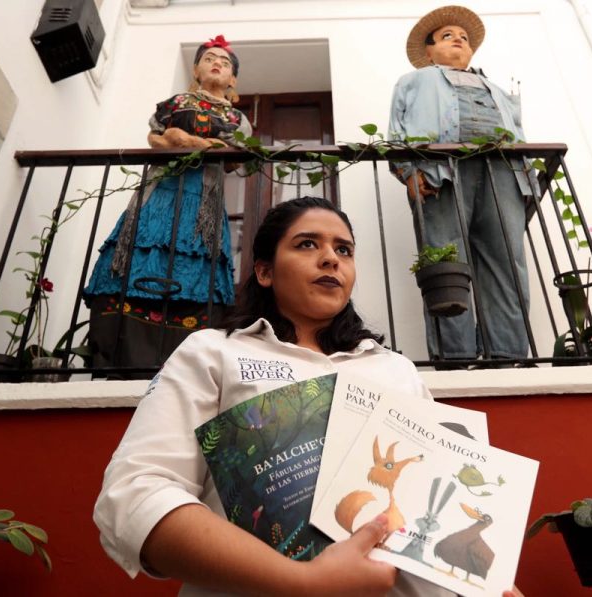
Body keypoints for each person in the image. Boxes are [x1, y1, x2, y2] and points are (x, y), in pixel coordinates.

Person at [94, 196, 524, 596]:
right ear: (264, 271)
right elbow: (136, 493)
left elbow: (442, 497)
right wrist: (304, 582)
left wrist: (492, 581)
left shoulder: (396, 370)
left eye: (344, 250)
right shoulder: (213, 352)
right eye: (306, 244)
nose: (330, 259)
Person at [83, 35, 251, 372]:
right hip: (161, 192)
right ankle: (124, 349)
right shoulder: (175, 103)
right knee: (139, 251)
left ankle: (183, 353)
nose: (216, 62)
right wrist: (201, 143)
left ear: (233, 78)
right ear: (195, 69)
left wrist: (184, 140)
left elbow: (236, 158)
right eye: (209, 58)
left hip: (202, 198)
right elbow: (157, 139)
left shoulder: (237, 120)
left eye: (224, 61)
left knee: (195, 260)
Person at [389, 6, 531, 364]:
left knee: (507, 264)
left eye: (464, 38)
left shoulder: (497, 89)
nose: (458, 41)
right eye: (448, 36)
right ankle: (455, 356)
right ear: (430, 50)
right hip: (439, 174)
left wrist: (527, 182)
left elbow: (520, 134)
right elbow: (396, 133)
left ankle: (509, 354)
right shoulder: (413, 82)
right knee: (445, 261)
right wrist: (409, 172)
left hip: (502, 173)